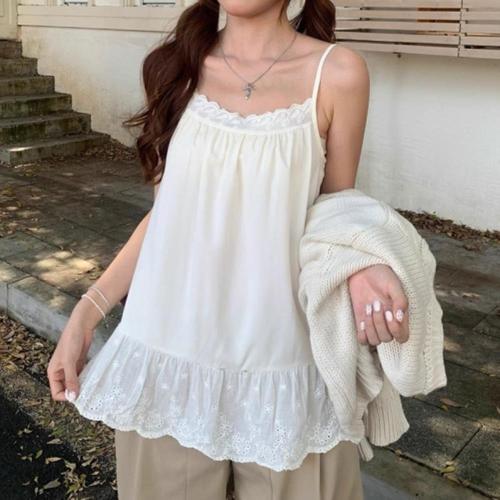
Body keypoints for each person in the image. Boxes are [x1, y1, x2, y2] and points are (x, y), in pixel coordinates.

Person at [47, 1, 411, 498]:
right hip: (168, 361)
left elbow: (337, 214)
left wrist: (362, 266)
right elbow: (166, 218)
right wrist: (85, 314)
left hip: (287, 367)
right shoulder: (173, 68)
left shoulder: (338, 73)